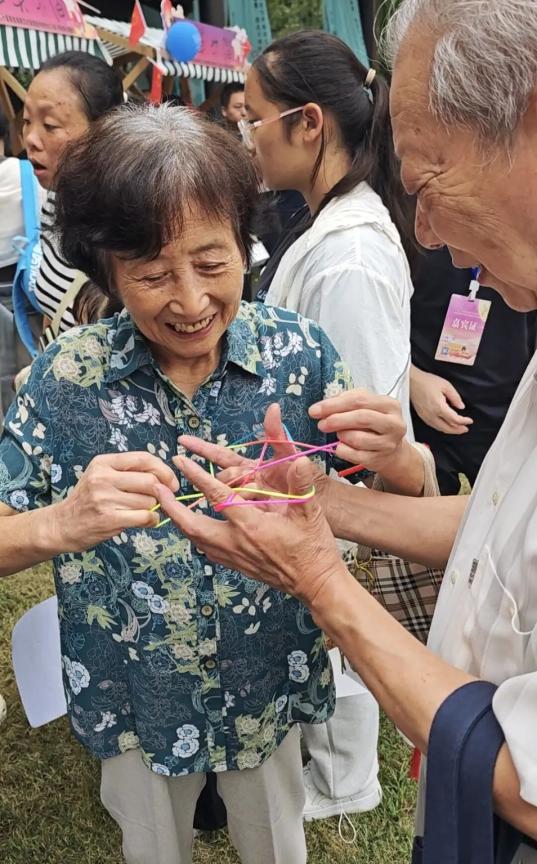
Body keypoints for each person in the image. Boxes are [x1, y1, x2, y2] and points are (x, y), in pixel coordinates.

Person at [156, 0, 537, 858]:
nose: (425, 235)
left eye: (427, 185)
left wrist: (320, 577)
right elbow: (505, 519)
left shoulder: (355, 252)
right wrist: (324, 501)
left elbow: (527, 780)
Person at [0, 104, 414, 864]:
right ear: (107, 269)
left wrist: (401, 461)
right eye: (153, 275)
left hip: (267, 679)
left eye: (212, 263)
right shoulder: (67, 380)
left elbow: (393, 510)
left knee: (274, 843)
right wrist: (58, 522)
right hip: (134, 690)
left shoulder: (298, 354)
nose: (191, 302)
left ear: (243, 243)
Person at [241, 29, 422, 823]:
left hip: (332, 486)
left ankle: (346, 780)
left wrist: (330, 497)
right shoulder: (326, 223)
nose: (248, 135)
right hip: (309, 479)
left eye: (254, 116)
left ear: (307, 122)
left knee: (339, 624)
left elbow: (357, 412)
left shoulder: (347, 253)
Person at [411, 247, 537, 493]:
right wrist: (411, 379)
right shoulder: (418, 233)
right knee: (416, 509)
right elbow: (377, 324)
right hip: (424, 411)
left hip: (506, 412)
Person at [23, 51, 123, 342]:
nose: (30, 138)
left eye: (50, 125)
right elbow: (53, 307)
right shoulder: (57, 198)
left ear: (103, 130)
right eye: (27, 120)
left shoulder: (125, 229)